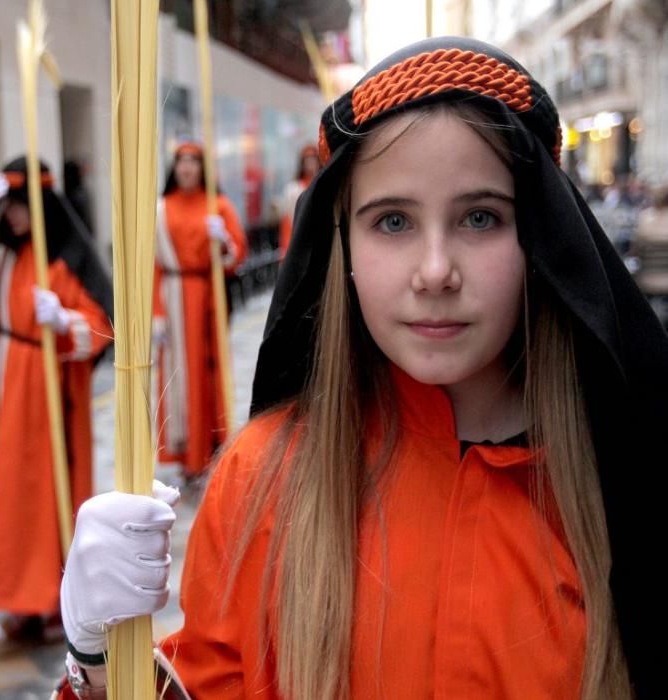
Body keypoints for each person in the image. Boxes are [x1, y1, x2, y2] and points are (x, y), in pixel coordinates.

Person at [56, 38, 667, 698]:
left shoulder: (625, 491)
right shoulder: (264, 480)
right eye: (393, 221)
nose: (435, 271)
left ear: (543, 237)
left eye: (481, 217)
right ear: (341, 243)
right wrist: (98, 663)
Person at [0, 157, 113, 642]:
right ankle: (19, 598)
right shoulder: (1, 254)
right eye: (7, 207)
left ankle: (52, 599)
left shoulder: (66, 257)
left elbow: (103, 323)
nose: (13, 216)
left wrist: (65, 320)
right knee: (10, 493)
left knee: (49, 491)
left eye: (19, 205)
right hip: (7, 381)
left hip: (51, 388)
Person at [153, 142, 248, 482]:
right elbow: (153, 266)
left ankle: (213, 443)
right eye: (182, 161)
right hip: (175, 299)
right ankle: (186, 451)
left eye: (194, 161)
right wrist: (156, 313)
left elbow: (236, 254)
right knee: (180, 374)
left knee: (209, 370)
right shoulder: (162, 209)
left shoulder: (218, 205)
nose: (187, 168)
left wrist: (221, 239)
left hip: (207, 296)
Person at [277, 143, 320, 258]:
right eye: (307, 160)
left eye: (313, 159)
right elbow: (288, 224)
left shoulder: (324, 186)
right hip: (301, 244)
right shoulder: (293, 190)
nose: (310, 163)